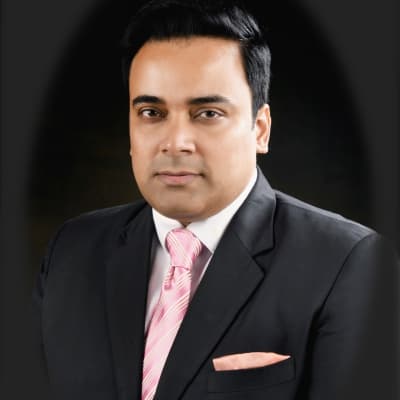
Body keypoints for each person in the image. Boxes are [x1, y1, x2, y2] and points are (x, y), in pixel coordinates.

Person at [33, 1, 399, 399]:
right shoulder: (72, 250)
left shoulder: (348, 264)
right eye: (152, 112)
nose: (175, 143)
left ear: (260, 129)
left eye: (207, 113)